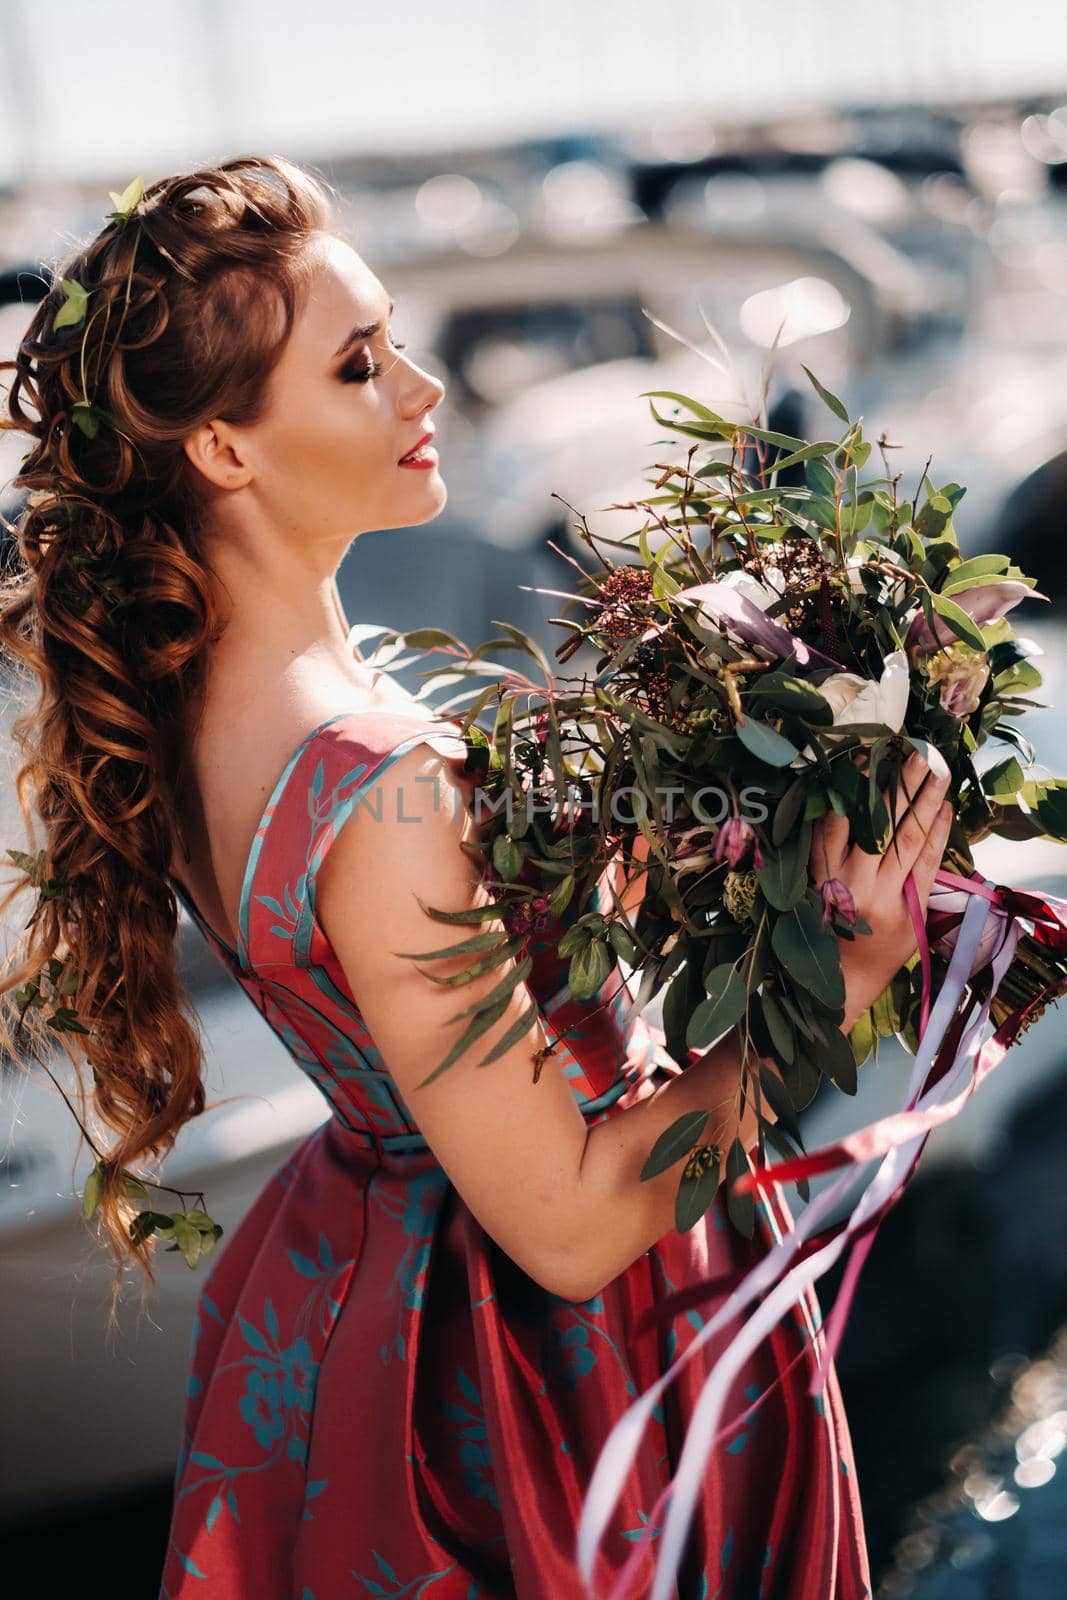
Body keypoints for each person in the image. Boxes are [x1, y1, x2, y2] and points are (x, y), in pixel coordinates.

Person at [0, 155, 952, 1599]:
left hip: (380, 1280)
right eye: (360, 365)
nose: (421, 389)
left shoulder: (200, 716)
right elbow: (570, 1228)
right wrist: (829, 990)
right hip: (556, 1374)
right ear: (226, 450)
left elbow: (426, 1000)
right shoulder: (372, 774)